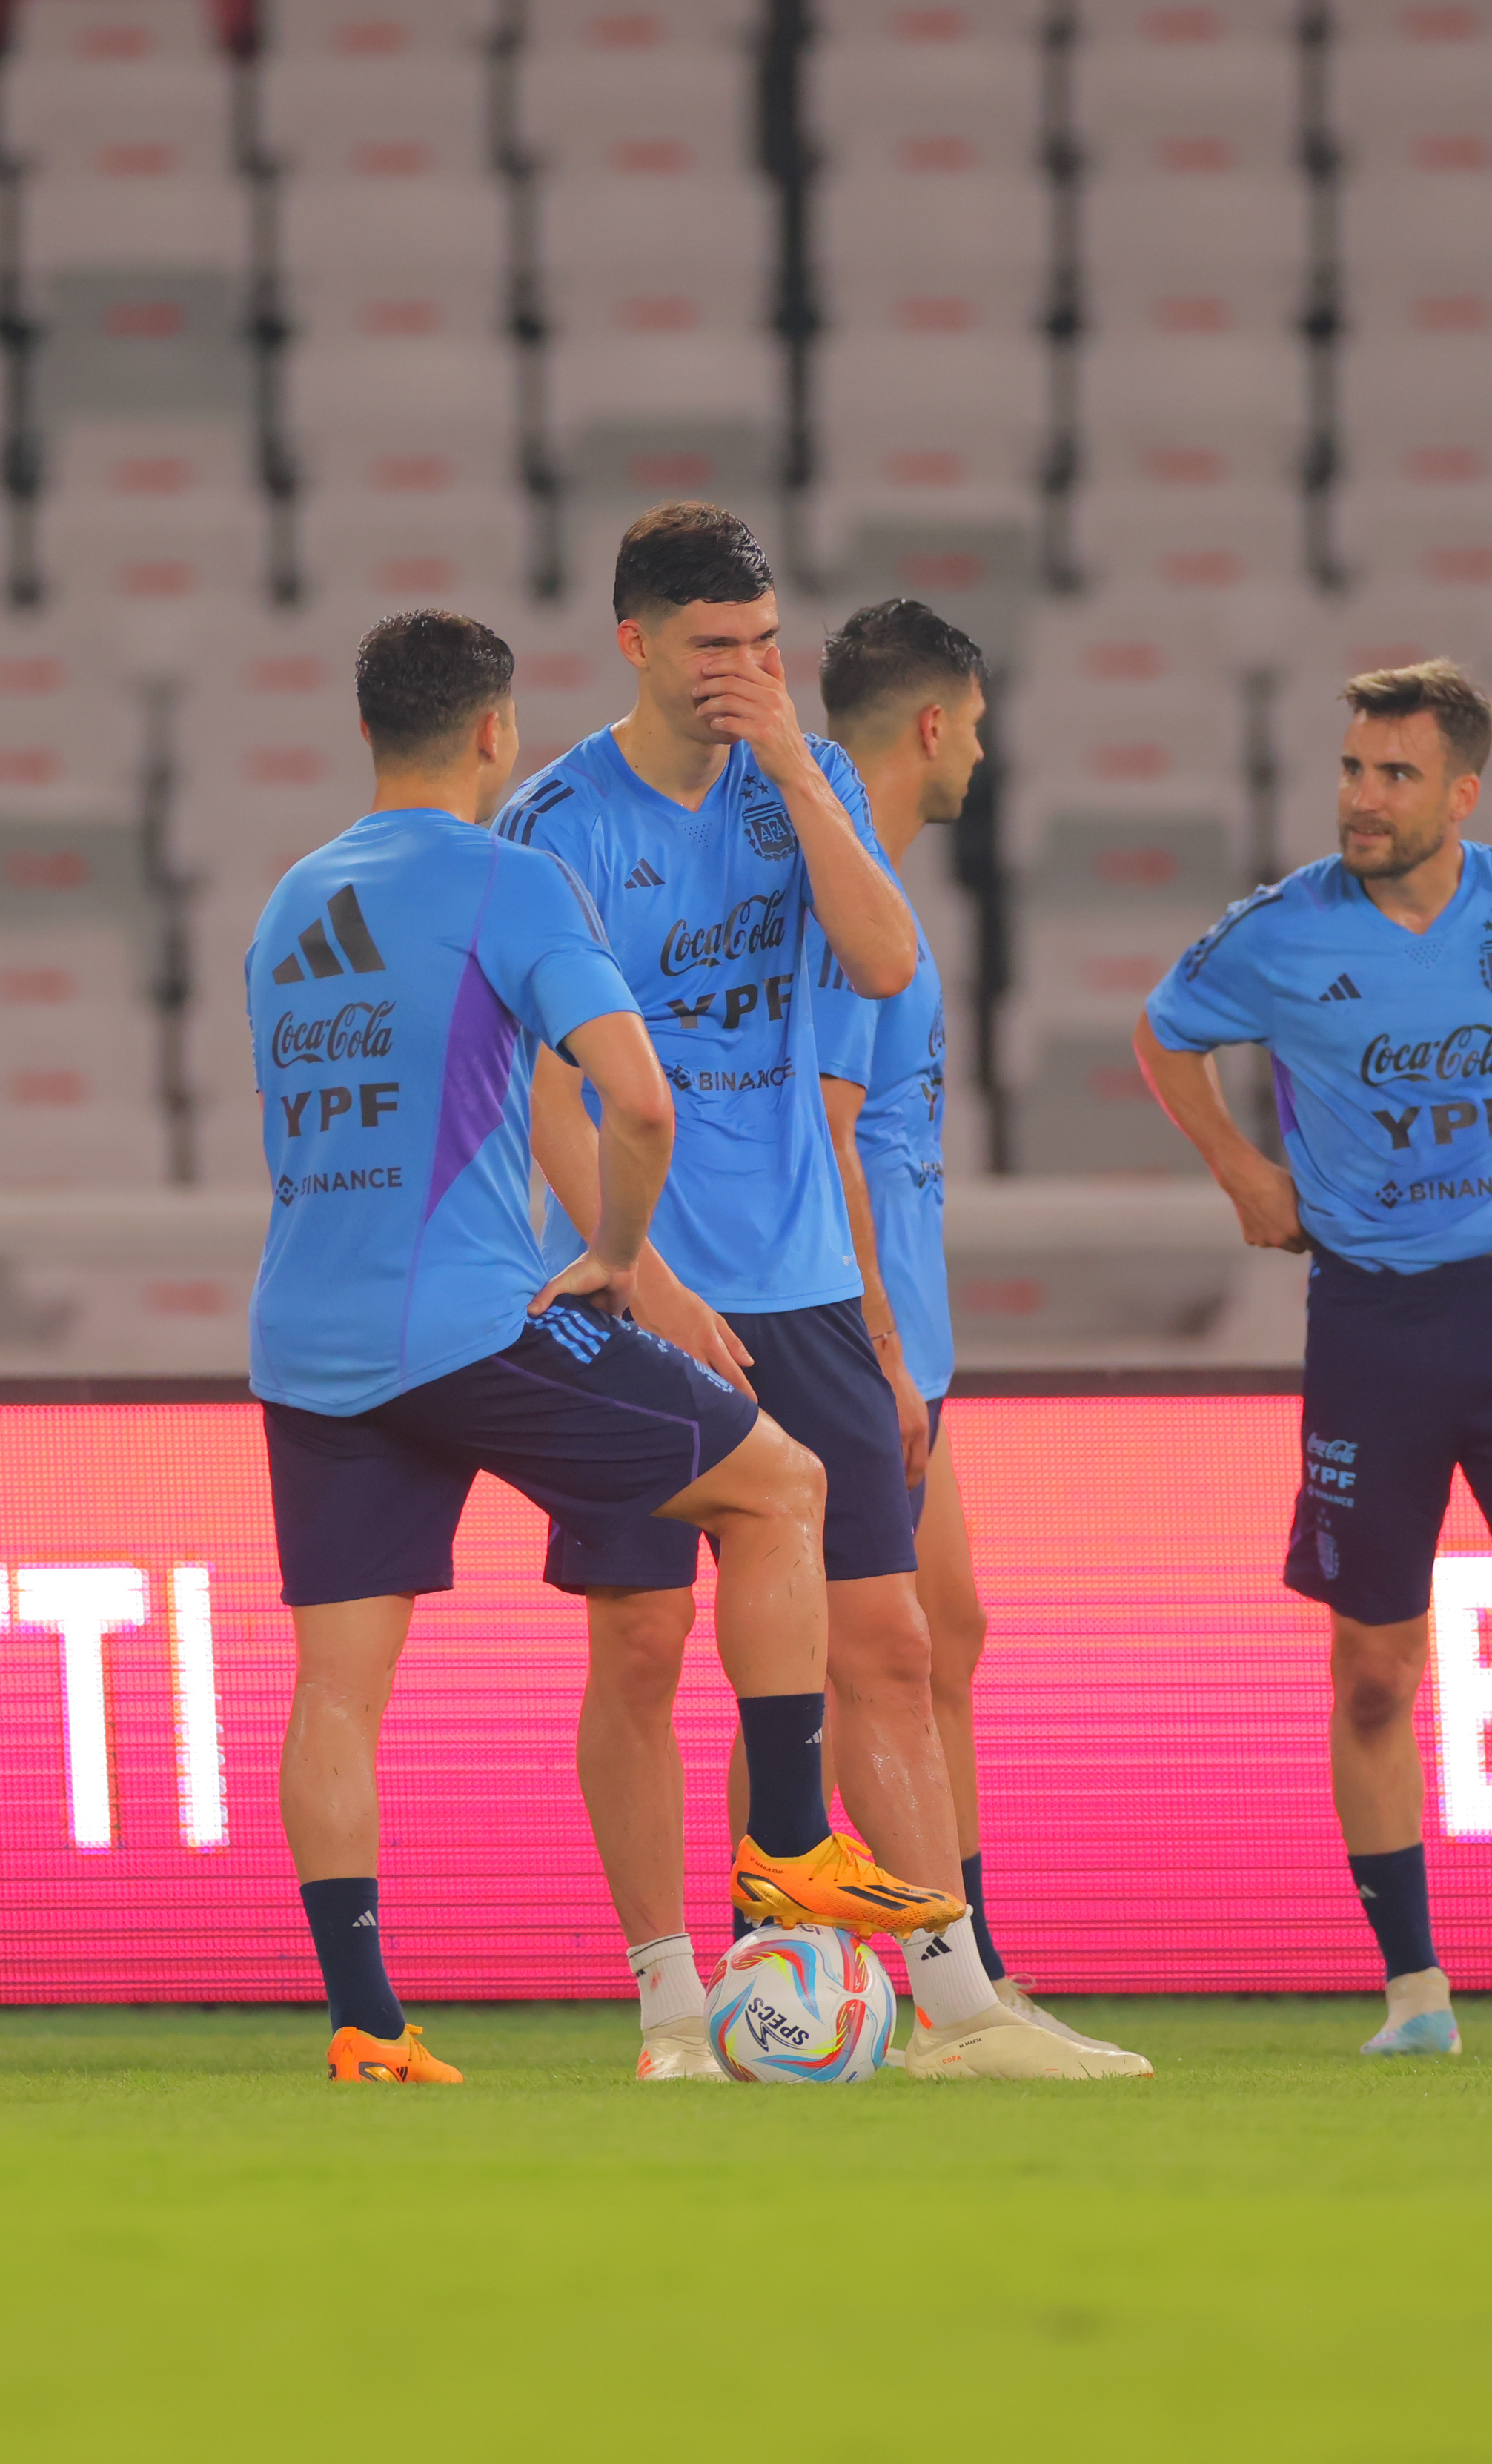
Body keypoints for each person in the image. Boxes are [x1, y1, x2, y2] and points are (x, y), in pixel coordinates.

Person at [253, 609, 961, 2085]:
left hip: (308, 1340)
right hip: (470, 1323)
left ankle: (366, 2022)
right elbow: (635, 1097)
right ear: (494, 730)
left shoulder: (289, 904)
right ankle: (788, 1845)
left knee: (336, 1694)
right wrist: (624, 1256)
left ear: (368, 731)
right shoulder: (511, 878)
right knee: (782, 1488)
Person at [500, 506, 1121, 2081]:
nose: (745, 670)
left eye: (766, 645)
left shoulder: (810, 779)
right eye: (714, 646)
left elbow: (888, 961)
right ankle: (669, 2006)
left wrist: (790, 762)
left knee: (890, 1647)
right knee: (643, 1648)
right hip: (635, 1288)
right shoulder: (558, 823)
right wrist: (639, 1270)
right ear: (635, 643)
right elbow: (546, 1093)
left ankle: (958, 2007)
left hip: (807, 1286)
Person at [1130, 658, 1492, 2060]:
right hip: (1372, 1326)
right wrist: (1240, 1172)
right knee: (1375, 1674)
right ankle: (1415, 1997)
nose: (1363, 797)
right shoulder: (1280, 932)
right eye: (1352, 769)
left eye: (1395, 775)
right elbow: (1163, 1033)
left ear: (1462, 794)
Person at [806, 597, 1147, 2074]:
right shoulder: (845, 903)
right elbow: (824, 1136)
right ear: (935, 724)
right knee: (849, 1657)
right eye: (981, 726)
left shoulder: (868, 880)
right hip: (856, 1334)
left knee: (948, 1632)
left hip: (907, 1341)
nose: (986, 755)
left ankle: (976, 1974)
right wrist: (877, 1344)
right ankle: (897, 1980)